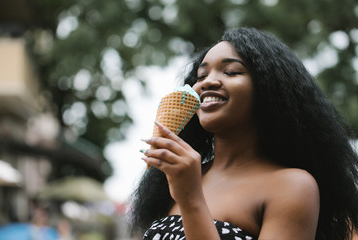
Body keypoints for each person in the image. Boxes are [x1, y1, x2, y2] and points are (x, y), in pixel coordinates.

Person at [129, 28, 358, 240]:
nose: (208, 82)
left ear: (270, 89)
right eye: (201, 76)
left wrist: (190, 199)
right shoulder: (178, 177)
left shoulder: (293, 187)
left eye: (231, 71)